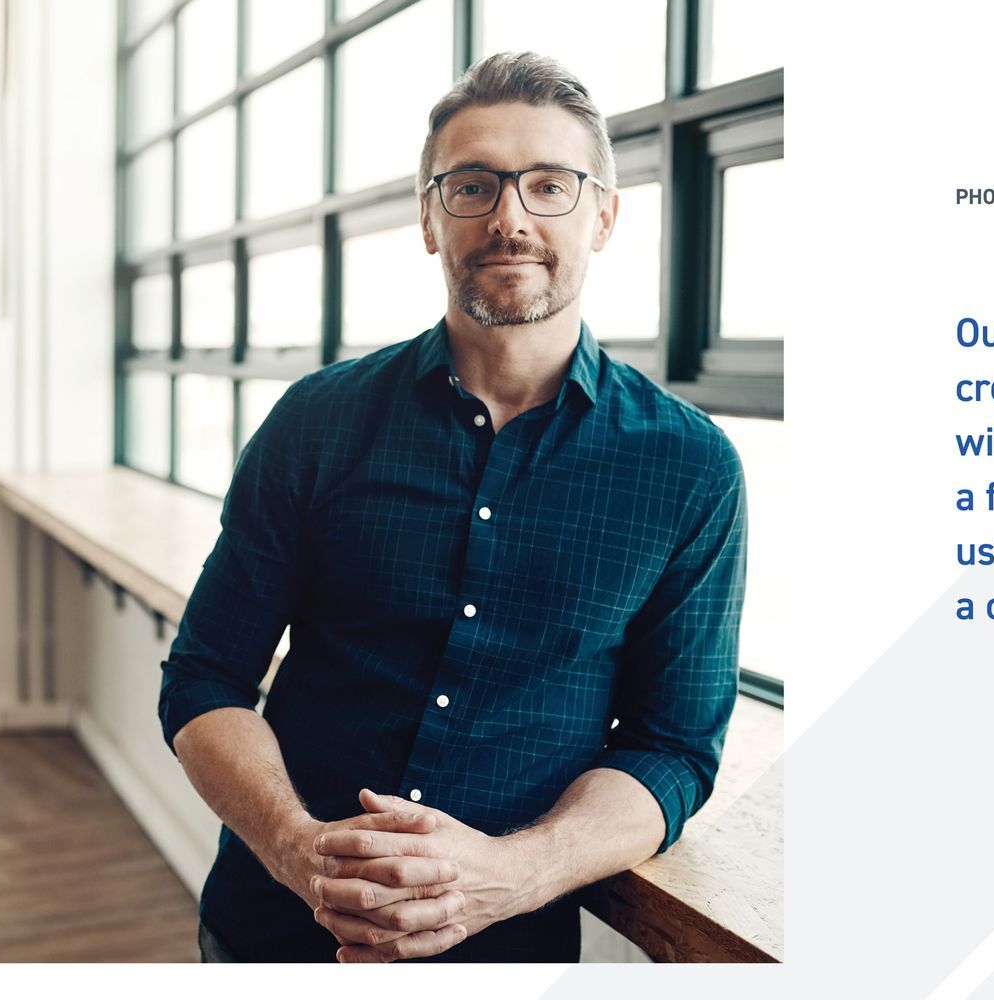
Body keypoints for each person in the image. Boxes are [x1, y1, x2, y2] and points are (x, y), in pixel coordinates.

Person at [158, 51, 747, 963]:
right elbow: (204, 676)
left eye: (550, 184)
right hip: (275, 929)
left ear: (605, 216)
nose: (510, 218)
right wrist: (297, 849)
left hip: (506, 951)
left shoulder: (690, 468)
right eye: (473, 185)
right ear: (431, 220)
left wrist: (510, 876)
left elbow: (674, 749)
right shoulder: (317, 422)